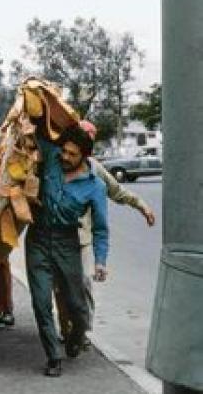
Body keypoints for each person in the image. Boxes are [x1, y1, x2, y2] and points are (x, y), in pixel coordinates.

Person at [54, 120, 155, 342]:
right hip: (55, 238)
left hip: (81, 239)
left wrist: (141, 205)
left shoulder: (94, 169)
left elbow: (117, 192)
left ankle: (83, 330)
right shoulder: (57, 164)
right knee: (60, 289)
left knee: (83, 282)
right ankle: (66, 330)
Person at [26, 124, 109, 377]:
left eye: (72, 154)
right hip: (38, 240)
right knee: (41, 303)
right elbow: (39, 120)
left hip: (67, 243)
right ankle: (53, 357)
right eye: (64, 151)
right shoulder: (51, 157)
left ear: (85, 156)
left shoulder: (96, 187)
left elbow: (101, 228)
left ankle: (76, 336)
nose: (65, 157)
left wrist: (100, 261)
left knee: (78, 308)